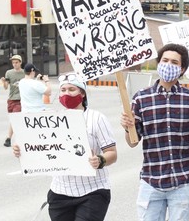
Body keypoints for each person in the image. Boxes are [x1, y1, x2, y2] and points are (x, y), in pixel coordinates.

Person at [120, 43, 189, 221]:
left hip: (183, 182)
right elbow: (133, 141)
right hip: (151, 181)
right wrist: (128, 127)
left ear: (182, 69)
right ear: (158, 64)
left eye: (174, 62)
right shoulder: (141, 98)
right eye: (165, 60)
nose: (168, 65)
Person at [13, 72, 117, 221]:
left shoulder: (97, 119)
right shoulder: (50, 119)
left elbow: (112, 153)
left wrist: (100, 160)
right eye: (63, 90)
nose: (66, 93)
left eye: (71, 89)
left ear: (82, 93)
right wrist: (21, 150)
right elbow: (40, 148)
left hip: (92, 191)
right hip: (60, 192)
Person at [1, 54, 25, 147]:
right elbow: (6, 87)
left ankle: (8, 138)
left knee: (15, 119)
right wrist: (4, 82)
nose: (14, 64)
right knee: (14, 119)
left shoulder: (24, 73)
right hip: (11, 99)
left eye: (16, 62)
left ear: (20, 63)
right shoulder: (9, 73)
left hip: (20, 99)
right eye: (13, 63)